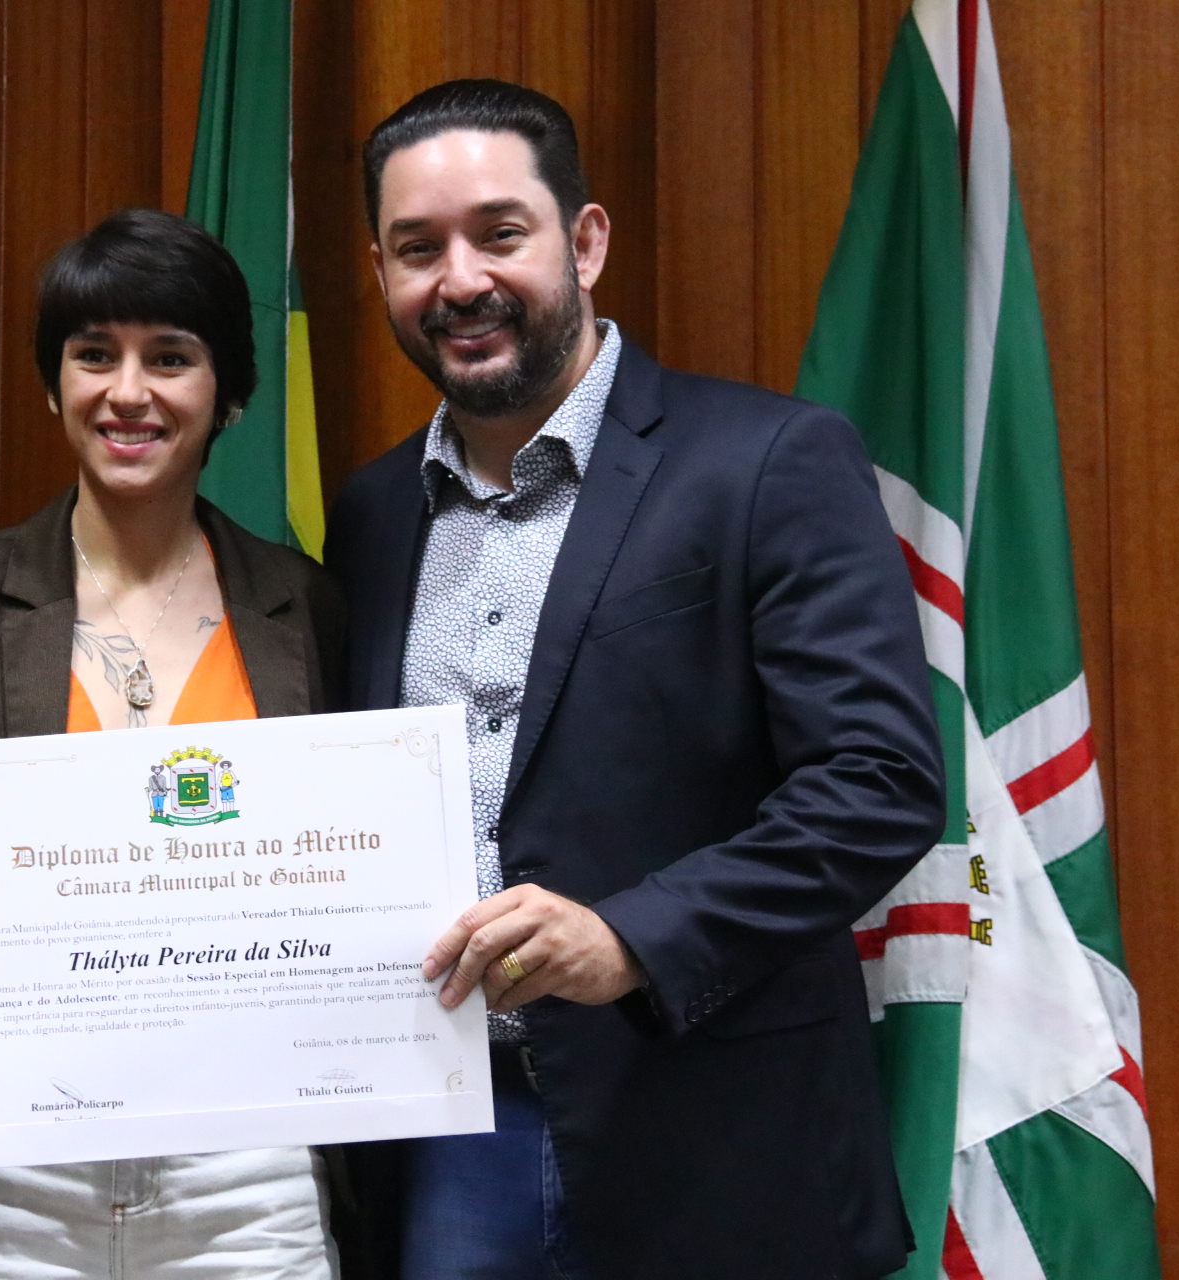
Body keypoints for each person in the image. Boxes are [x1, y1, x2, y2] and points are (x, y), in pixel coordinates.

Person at [324, 80, 946, 1279]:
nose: (460, 279)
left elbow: (879, 781)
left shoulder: (769, 460)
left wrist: (633, 934)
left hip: (713, 1131)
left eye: (500, 233)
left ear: (587, 240)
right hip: (449, 1134)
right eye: (418, 248)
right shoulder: (370, 514)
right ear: (381, 271)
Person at [0, 208, 346, 1279]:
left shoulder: (310, 606)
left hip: (246, 1183)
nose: (128, 391)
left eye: (171, 357)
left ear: (229, 393)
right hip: (3, 1185)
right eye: (94, 354)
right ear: (54, 384)